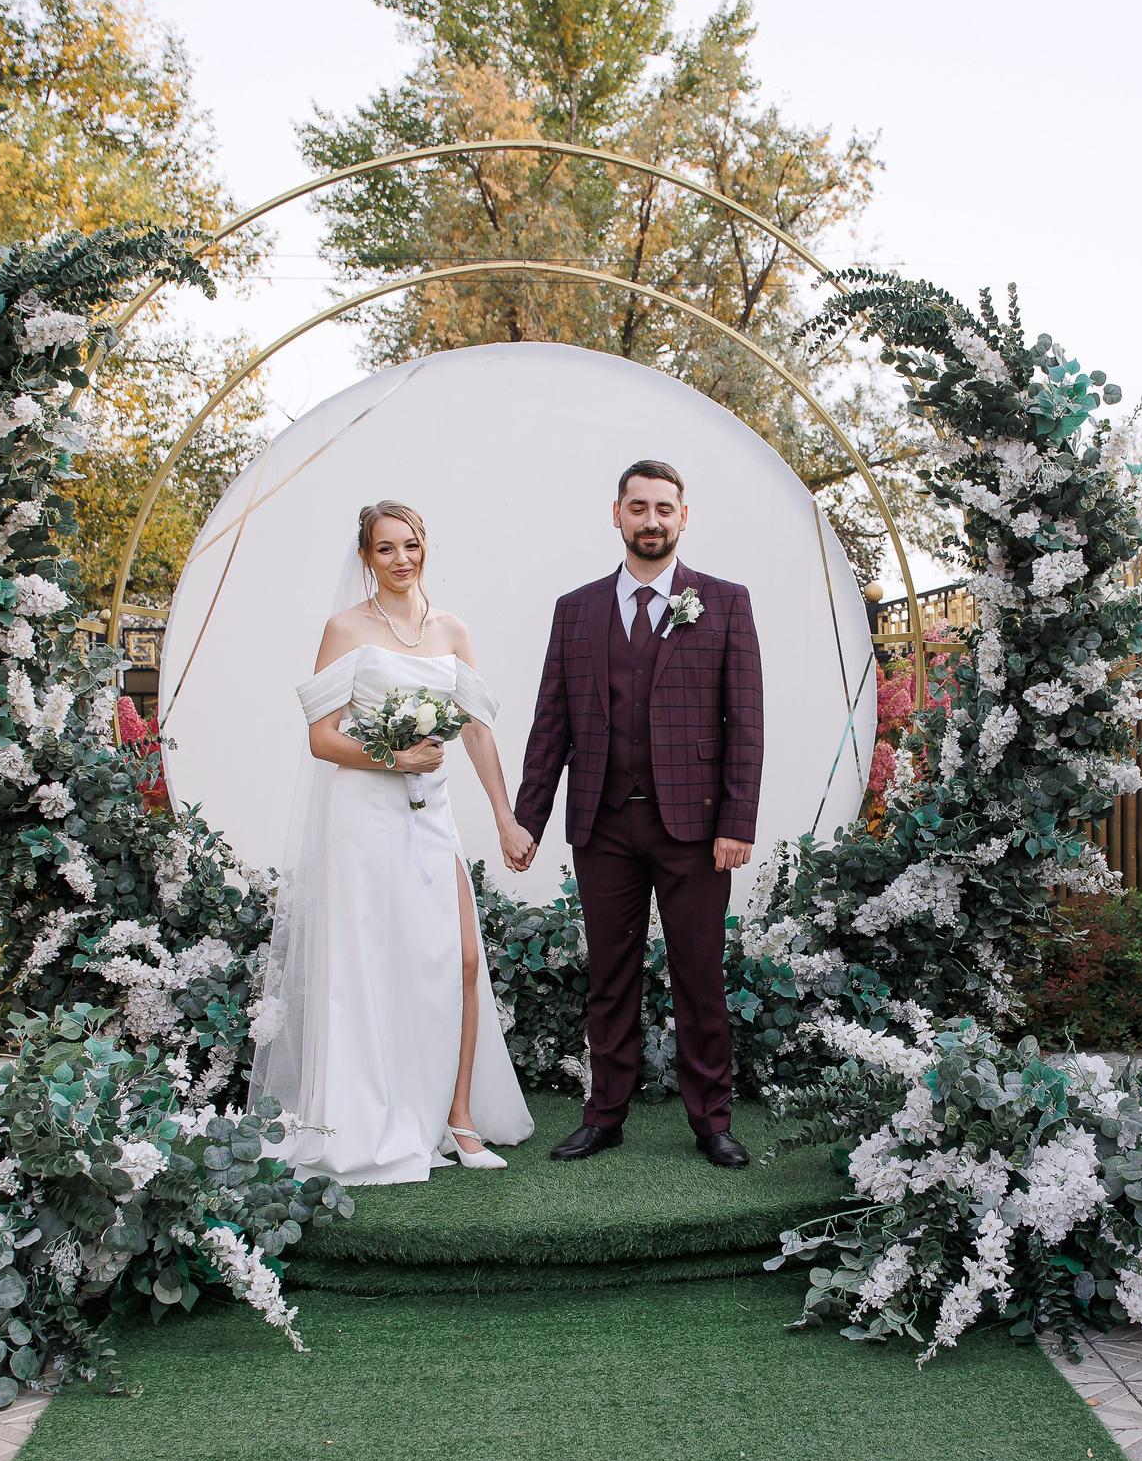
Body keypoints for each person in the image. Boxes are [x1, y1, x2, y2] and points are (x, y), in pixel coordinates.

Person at [251, 500, 537, 1183]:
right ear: (365, 558)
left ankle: (458, 1116)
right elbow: (321, 736)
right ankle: (379, 1113)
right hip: (364, 818)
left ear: (425, 546)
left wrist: (505, 817)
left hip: (430, 814)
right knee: (376, 964)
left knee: (464, 959)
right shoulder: (345, 628)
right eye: (386, 549)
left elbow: (474, 728)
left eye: (410, 545)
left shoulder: (452, 628)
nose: (401, 559)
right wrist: (396, 759)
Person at [510, 460, 764, 1168]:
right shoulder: (576, 609)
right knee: (610, 974)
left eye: (664, 508)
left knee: (698, 973)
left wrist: (737, 820)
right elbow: (549, 724)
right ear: (616, 514)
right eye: (638, 507)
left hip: (696, 828)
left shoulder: (724, 601)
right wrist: (528, 817)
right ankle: (605, 1114)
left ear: (684, 517)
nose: (651, 520)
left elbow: (745, 721)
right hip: (603, 821)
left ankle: (711, 1120)